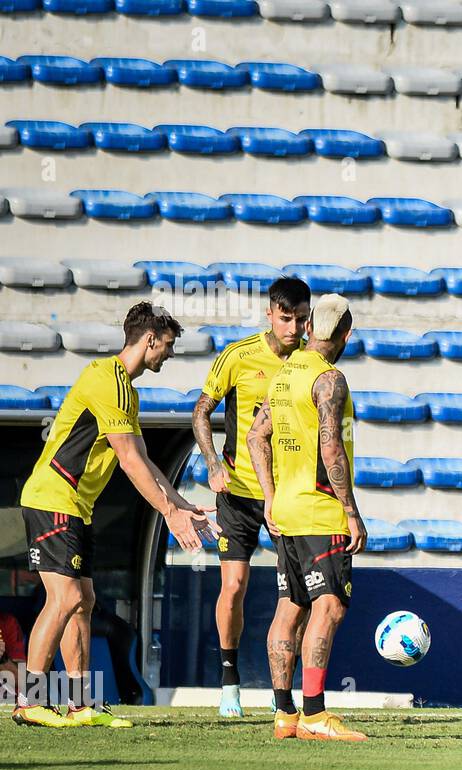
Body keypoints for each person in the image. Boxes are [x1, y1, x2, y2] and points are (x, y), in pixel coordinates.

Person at [15, 303, 217, 728]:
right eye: (167, 345)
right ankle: (30, 701)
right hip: (54, 499)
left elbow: (141, 455)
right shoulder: (108, 380)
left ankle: (80, 703)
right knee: (65, 598)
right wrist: (168, 514)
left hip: (75, 506)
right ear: (149, 340)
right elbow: (127, 459)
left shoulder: (125, 387)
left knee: (83, 602)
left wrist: (180, 504)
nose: (169, 354)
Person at [247, 293, 367, 742]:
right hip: (321, 511)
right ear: (347, 334)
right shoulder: (329, 379)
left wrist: (270, 497)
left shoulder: (284, 374)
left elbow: (257, 437)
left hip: (287, 512)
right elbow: (331, 448)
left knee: (289, 608)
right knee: (329, 606)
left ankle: (284, 715)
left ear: (311, 325)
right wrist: (352, 513)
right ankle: (314, 713)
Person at [193, 276, 311, 718]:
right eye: (286, 319)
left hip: (287, 496)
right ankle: (229, 682)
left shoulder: (309, 363)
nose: (294, 328)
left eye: (301, 319)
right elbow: (201, 409)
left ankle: (286, 694)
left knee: (297, 594)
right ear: (269, 314)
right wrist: (212, 462)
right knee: (235, 585)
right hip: (239, 491)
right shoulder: (239, 356)